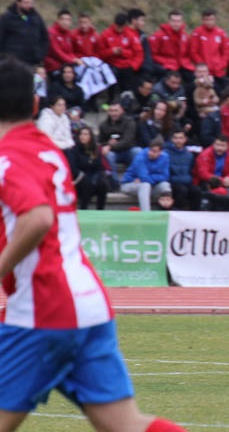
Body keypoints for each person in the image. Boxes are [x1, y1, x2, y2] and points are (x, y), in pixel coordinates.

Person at [0, 57, 188, 432]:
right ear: (36, 106)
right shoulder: (46, 148)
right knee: (126, 425)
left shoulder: (8, 156)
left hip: (45, 309)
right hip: (89, 303)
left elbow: (37, 217)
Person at [98, 12, 144, 94]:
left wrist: (133, 66)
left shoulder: (131, 35)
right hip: (112, 64)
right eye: (118, 26)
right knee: (111, 74)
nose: (119, 29)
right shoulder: (106, 34)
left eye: (121, 27)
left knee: (129, 79)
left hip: (127, 65)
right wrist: (111, 51)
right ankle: (109, 101)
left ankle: (126, 101)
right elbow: (100, 53)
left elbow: (138, 53)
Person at [120, 138, 172, 211]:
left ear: (160, 152)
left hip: (148, 185)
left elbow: (165, 176)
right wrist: (155, 178)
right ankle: (146, 213)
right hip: (130, 184)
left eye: (154, 151)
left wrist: (149, 178)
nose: (150, 153)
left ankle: (165, 212)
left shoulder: (165, 157)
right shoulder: (140, 157)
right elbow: (144, 177)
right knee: (145, 185)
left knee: (165, 185)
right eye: (150, 150)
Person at [67, 126, 110, 210]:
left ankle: (100, 210)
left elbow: (99, 166)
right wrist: (84, 176)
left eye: (86, 134)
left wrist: (96, 177)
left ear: (90, 136)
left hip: (93, 177)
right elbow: (73, 168)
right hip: (78, 180)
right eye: (81, 134)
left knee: (103, 184)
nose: (82, 136)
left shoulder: (96, 150)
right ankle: (84, 208)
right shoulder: (73, 150)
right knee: (87, 183)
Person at [0, 0, 48, 66]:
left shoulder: (36, 17)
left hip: (31, 62)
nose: (29, 5)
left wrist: (40, 55)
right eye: (26, 3)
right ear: (18, 3)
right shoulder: (7, 18)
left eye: (31, 3)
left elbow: (44, 37)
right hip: (12, 62)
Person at [149, 11, 194, 81]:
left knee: (193, 79)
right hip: (166, 65)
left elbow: (189, 53)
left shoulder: (185, 36)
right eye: (174, 21)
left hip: (183, 65)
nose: (176, 24)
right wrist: (166, 62)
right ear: (169, 21)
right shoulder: (158, 36)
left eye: (178, 21)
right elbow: (152, 54)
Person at [188, 9, 229, 84]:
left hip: (217, 70)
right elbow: (193, 52)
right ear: (203, 20)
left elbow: (225, 53)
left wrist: (221, 65)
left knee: (227, 86)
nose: (209, 22)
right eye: (206, 20)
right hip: (203, 71)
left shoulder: (221, 33)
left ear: (215, 20)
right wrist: (203, 66)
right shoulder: (197, 32)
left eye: (211, 19)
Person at [166, 129, 198, 210]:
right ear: (172, 139)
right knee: (182, 190)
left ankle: (196, 214)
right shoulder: (166, 154)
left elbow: (192, 170)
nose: (178, 140)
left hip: (186, 182)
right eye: (176, 138)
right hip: (172, 182)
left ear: (185, 139)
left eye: (180, 138)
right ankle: (177, 212)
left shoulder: (189, 155)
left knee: (196, 191)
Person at [99, 102, 138, 169]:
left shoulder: (129, 122)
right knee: (108, 155)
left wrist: (111, 146)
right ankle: (113, 179)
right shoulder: (103, 125)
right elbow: (100, 141)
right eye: (111, 111)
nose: (113, 113)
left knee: (137, 151)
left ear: (122, 111)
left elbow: (127, 140)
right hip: (113, 153)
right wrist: (108, 143)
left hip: (127, 150)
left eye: (116, 111)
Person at [44, 9, 82, 73]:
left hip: (65, 66)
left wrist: (76, 59)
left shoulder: (68, 34)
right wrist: (72, 61)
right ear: (58, 20)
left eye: (68, 20)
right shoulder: (51, 33)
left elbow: (69, 52)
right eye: (63, 19)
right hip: (54, 67)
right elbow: (57, 52)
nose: (65, 22)